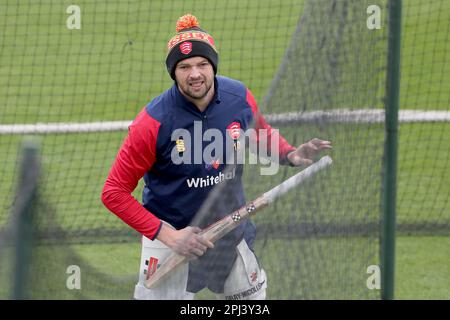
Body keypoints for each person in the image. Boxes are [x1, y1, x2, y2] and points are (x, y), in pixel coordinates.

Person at [101, 14, 332, 300]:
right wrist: (170, 235)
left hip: (231, 230)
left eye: (202, 64)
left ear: (213, 65)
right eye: (184, 67)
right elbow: (113, 192)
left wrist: (290, 153)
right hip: (172, 238)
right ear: (173, 73)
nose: (194, 74)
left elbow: (258, 133)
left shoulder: (239, 97)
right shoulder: (152, 122)